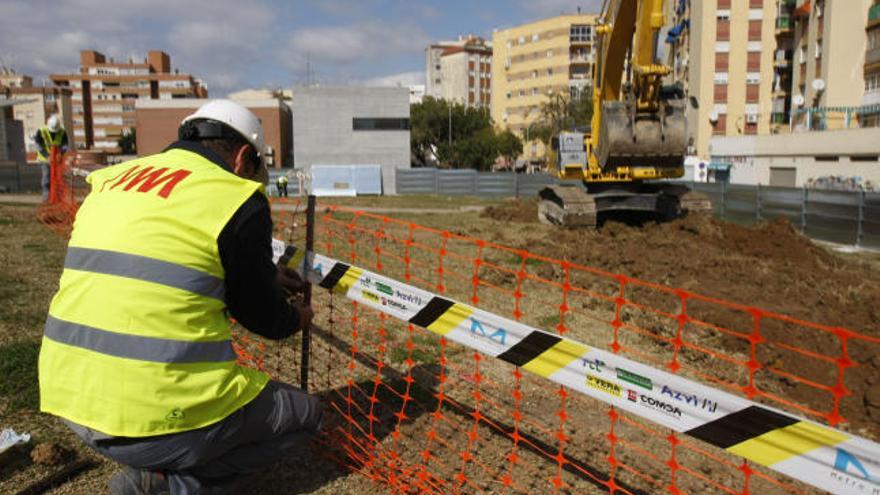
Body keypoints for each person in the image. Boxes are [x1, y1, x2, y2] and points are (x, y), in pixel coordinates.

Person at [38, 99, 322, 495]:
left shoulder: (113, 179)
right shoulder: (234, 195)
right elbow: (263, 317)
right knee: (307, 415)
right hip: (152, 420)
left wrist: (267, 273)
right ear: (243, 158)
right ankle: (176, 483)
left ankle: (157, 469)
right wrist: (298, 318)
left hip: (70, 397)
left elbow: (164, 256)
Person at [34, 114, 69, 202]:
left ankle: (58, 198)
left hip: (57, 161)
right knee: (46, 179)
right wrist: (47, 156)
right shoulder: (41, 131)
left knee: (58, 179)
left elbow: (65, 145)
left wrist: (61, 153)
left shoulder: (62, 132)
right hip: (45, 160)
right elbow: (38, 146)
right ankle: (46, 199)